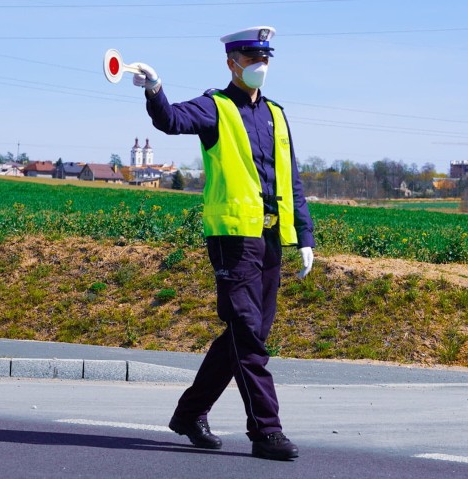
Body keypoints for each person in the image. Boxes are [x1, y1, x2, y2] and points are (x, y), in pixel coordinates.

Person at [132, 26, 315, 461]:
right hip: (232, 239)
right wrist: (155, 89)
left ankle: (190, 414)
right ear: (232, 63)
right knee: (248, 334)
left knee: (246, 333)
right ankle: (266, 432)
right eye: (252, 60)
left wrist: (305, 236)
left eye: (265, 60)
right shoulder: (215, 107)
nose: (260, 67)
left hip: (270, 237)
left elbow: (294, 181)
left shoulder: (276, 114)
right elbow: (171, 120)